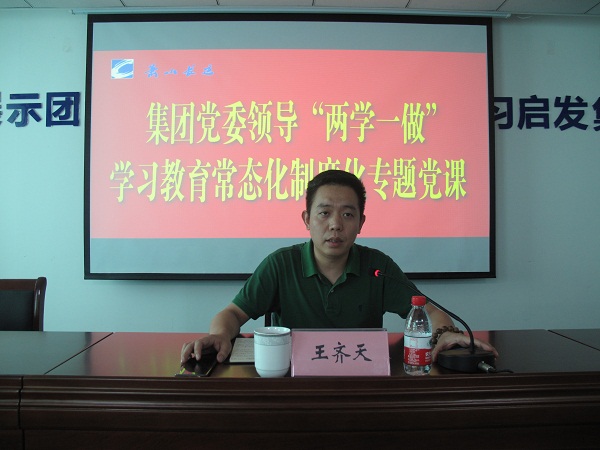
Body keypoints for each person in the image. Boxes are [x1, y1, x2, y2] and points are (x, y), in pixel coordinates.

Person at [181, 169, 497, 364]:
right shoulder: (281, 263)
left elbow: (426, 310)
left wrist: (444, 334)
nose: (335, 225)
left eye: (347, 214)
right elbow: (232, 314)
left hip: (361, 382)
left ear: (361, 222)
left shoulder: (377, 266)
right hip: (293, 384)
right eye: (324, 213)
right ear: (307, 219)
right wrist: (220, 335)